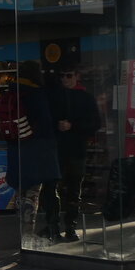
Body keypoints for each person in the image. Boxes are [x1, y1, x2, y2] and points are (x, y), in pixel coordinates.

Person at [0, 60, 60, 242]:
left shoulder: (11, 91)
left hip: (16, 150)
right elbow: (45, 125)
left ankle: (21, 231)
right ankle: (27, 234)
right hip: (35, 152)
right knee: (32, 195)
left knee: (21, 193)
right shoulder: (36, 95)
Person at [43, 65, 101, 241]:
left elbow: (95, 124)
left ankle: (69, 227)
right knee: (54, 188)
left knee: (72, 190)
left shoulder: (85, 98)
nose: (65, 79)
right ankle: (55, 227)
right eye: (62, 75)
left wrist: (72, 126)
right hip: (59, 150)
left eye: (68, 75)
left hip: (74, 150)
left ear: (76, 76)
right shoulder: (53, 97)